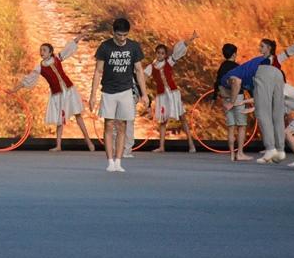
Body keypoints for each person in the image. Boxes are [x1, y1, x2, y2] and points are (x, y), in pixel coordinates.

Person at [220, 38, 294, 164]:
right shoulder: (258, 63)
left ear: (269, 48)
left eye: (262, 46)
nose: (259, 48)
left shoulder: (273, 60)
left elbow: (288, 52)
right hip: (267, 91)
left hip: (275, 90)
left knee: (283, 117)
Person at [10, 34, 95, 152]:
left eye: (44, 50)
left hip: (69, 90)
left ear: (50, 52)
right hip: (57, 95)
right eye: (41, 50)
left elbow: (68, 49)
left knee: (77, 114)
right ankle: (58, 145)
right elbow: (28, 79)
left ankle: (88, 141)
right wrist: (15, 89)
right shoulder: (39, 67)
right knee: (60, 120)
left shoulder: (57, 58)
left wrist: (78, 38)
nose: (42, 52)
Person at [90, 18, 150, 173]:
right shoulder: (105, 47)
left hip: (125, 90)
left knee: (122, 125)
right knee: (109, 124)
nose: (122, 38)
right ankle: (110, 161)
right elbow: (98, 71)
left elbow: (139, 71)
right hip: (108, 90)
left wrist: (144, 94)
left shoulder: (133, 47)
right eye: (119, 35)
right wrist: (93, 96)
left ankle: (118, 161)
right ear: (113, 33)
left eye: (124, 35)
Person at [144, 32, 199, 153]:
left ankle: (191, 144)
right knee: (163, 121)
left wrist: (191, 38)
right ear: (156, 53)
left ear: (165, 54)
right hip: (162, 96)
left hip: (173, 94)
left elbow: (179, 51)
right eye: (158, 53)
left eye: (162, 53)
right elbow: (143, 78)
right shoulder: (151, 67)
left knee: (182, 117)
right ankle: (162, 146)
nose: (160, 55)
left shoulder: (169, 61)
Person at [214, 44, 253, 161]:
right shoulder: (237, 67)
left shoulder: (222, 67)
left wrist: (215, 97)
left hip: (226, 99)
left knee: (231, 127)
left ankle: (231, 154)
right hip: (238, 99)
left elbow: (217, 83)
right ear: (234, 54)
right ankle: (240, 153)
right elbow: (244, 83)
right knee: (241, 126)